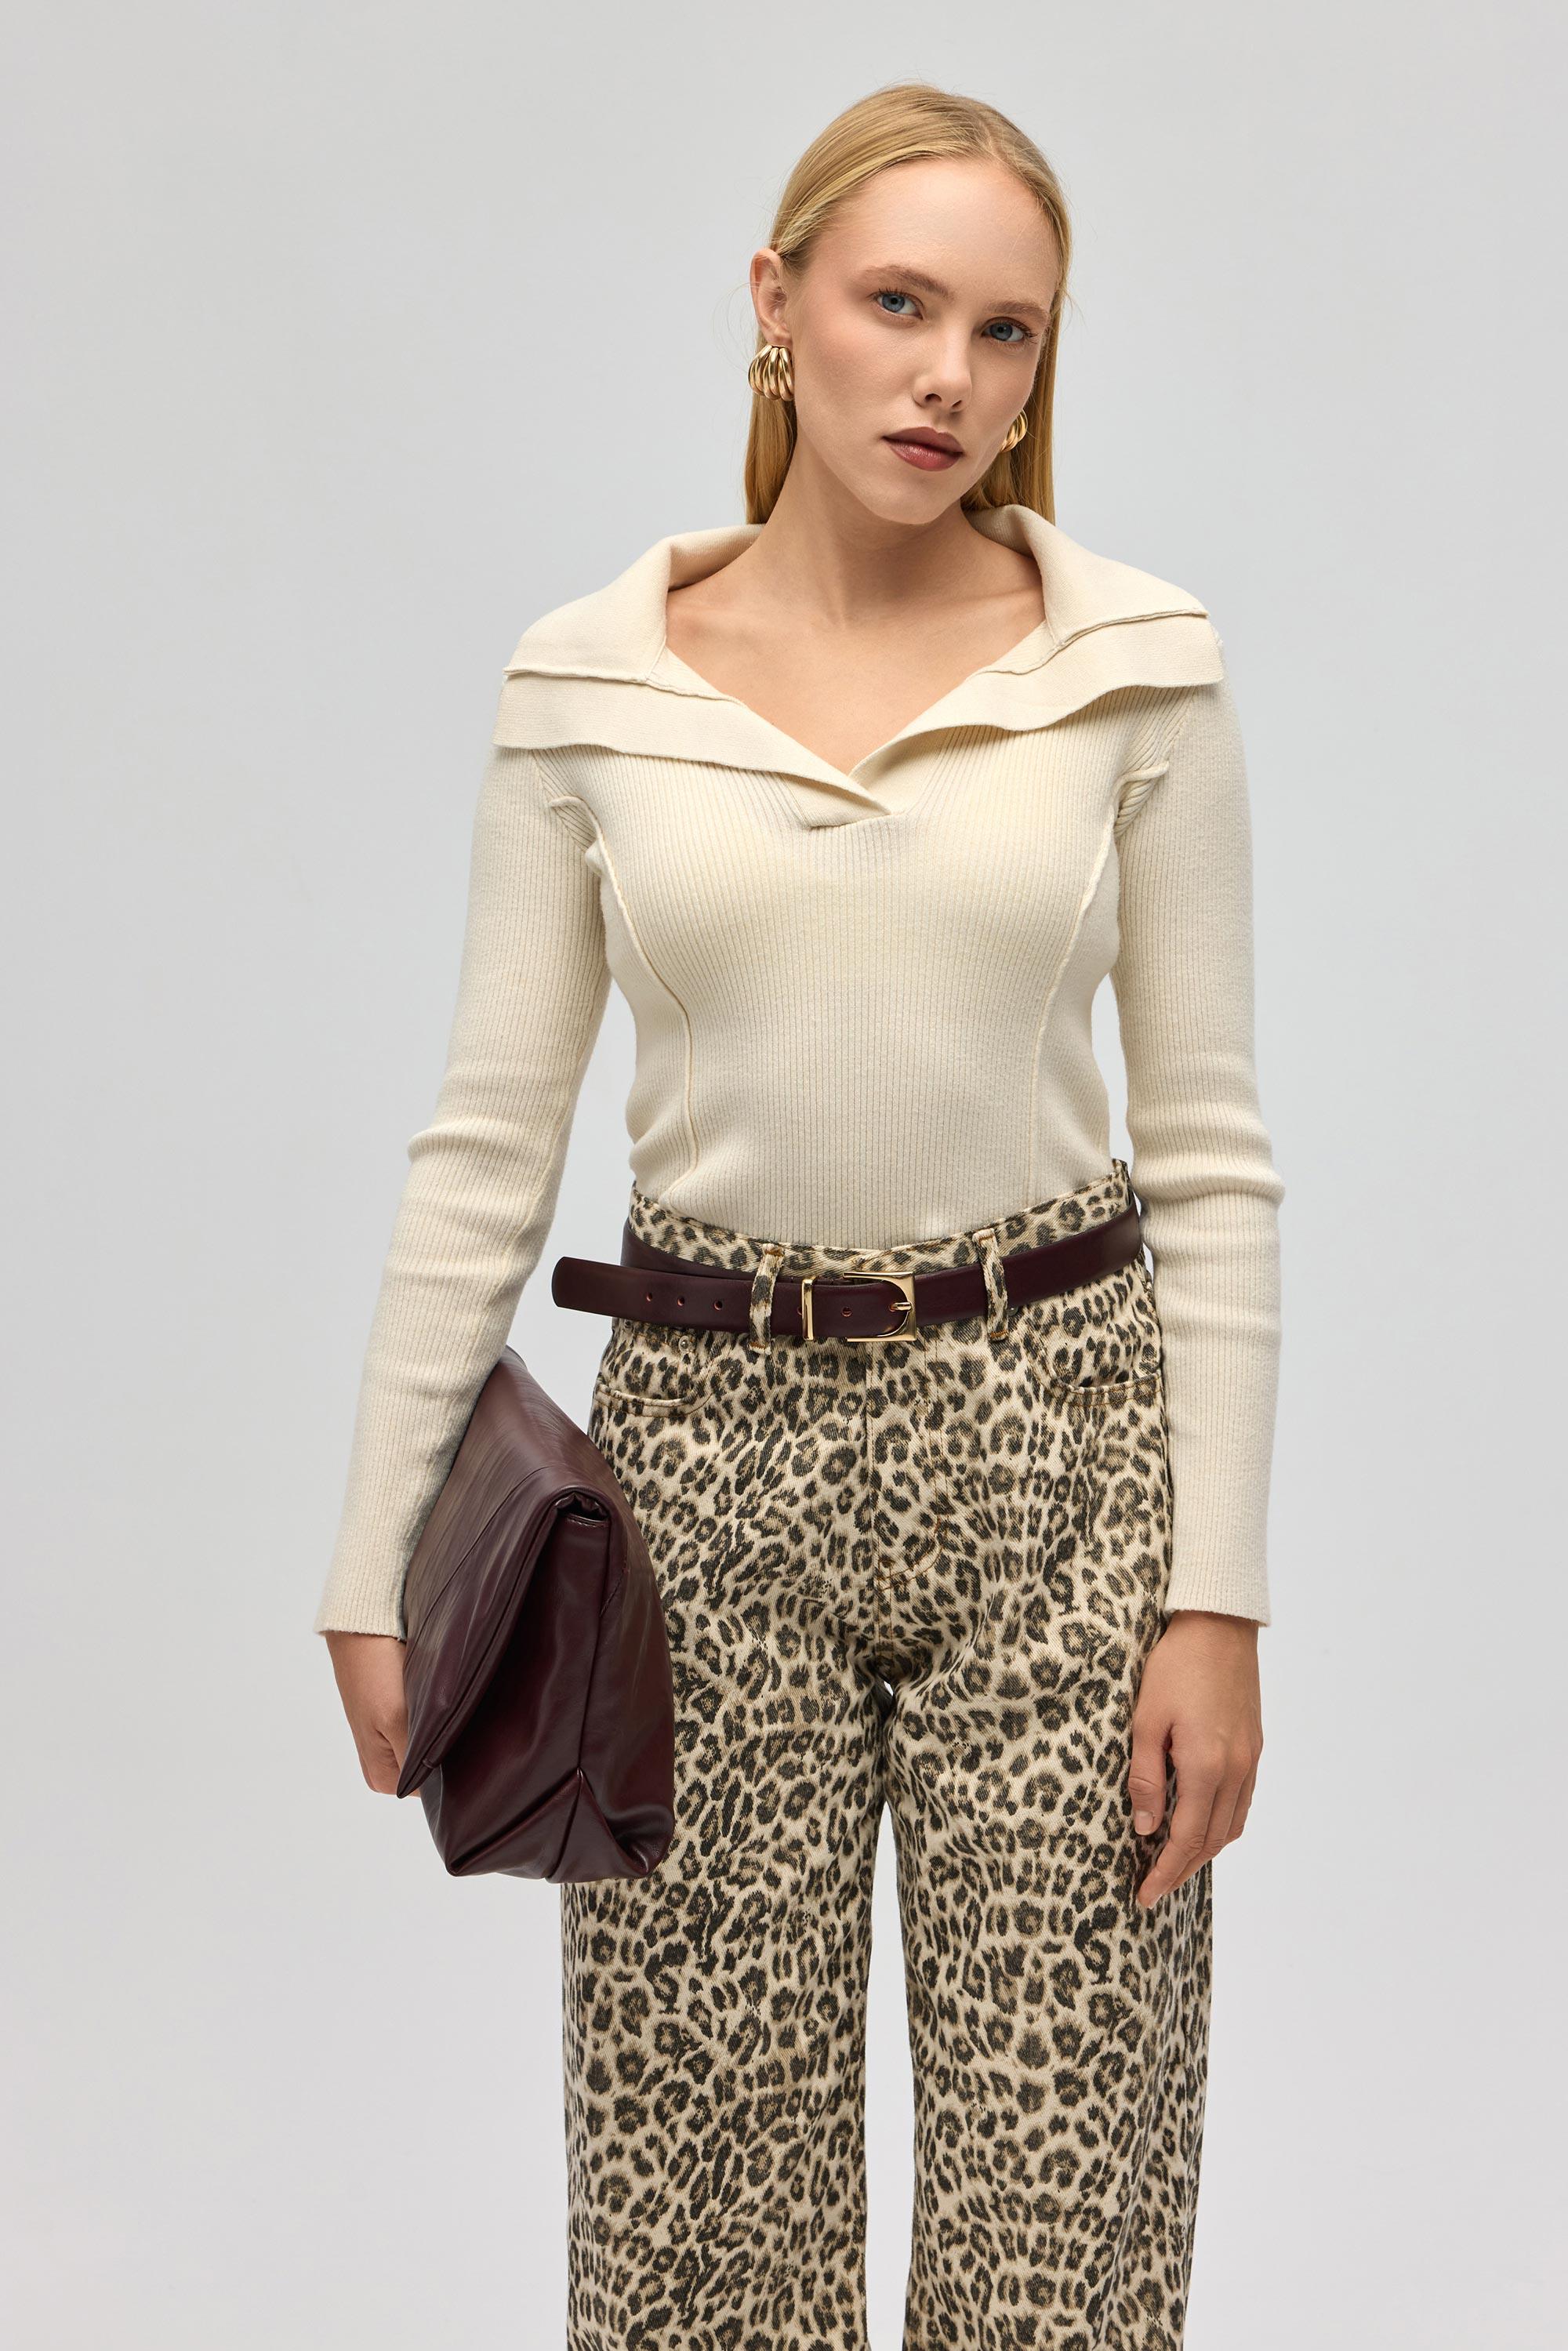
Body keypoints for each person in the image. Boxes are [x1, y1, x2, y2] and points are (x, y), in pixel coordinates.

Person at [314, 80, 1284, 2351]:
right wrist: (373, 1553)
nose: (949, 377)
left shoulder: (1135, 667)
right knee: (699, 2215)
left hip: (1061, 1453)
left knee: (1069, 2207)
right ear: (778, 305)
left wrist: (1219, 1599)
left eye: (1007, 332)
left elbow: (1214, 1151)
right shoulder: (590, 686)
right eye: (897, 305)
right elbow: (486, 1144)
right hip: (703, 1468)